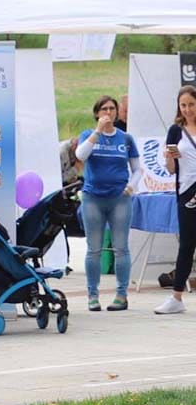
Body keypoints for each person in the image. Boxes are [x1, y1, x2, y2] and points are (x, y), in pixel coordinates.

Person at [76, 94, 141, 312]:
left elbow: (137, 168)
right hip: (93, 197)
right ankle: (92, 295)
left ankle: (121, 295)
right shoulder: (88, 134)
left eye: (112, 109)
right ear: (97, 113)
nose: (108, 113)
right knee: (93, 248)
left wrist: (131, 185)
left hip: (119, 198)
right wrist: (97, 132)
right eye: (104, 109)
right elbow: (80, 155)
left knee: (121, 247)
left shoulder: (125, 138)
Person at [157, 85, 196, 315]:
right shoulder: (175, 131)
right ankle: (176, 296)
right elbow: (171, 170)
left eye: (191, 104)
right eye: (183, 105)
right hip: (186, 190)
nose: (188, 109)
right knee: (187, 245)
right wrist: (170, 158)